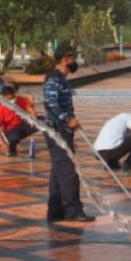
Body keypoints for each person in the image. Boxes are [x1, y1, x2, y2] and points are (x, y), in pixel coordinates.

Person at [42, 45, 95, 222]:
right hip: (57, 130)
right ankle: (73, 211)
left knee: (59, 170)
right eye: (73, 57)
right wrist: (67, 119)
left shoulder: (62, 79)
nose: (75, 61)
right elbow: (51, 103)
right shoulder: (54, 79)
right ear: (65, 59)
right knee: (68, 171)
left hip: (62, 129)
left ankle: (55, 211)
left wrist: (70, 121)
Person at [0, 83, 36, 156]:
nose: (13, 100)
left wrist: (34, 119)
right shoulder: (0, 110)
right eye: (10, 99)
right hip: (11, 129)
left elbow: (30, 110)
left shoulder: (20, 99)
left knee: (44, 121)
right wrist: (1, 143)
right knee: (14, 138)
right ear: (4, 98)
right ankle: (12, 150)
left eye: (13, 98)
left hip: (23, 125)